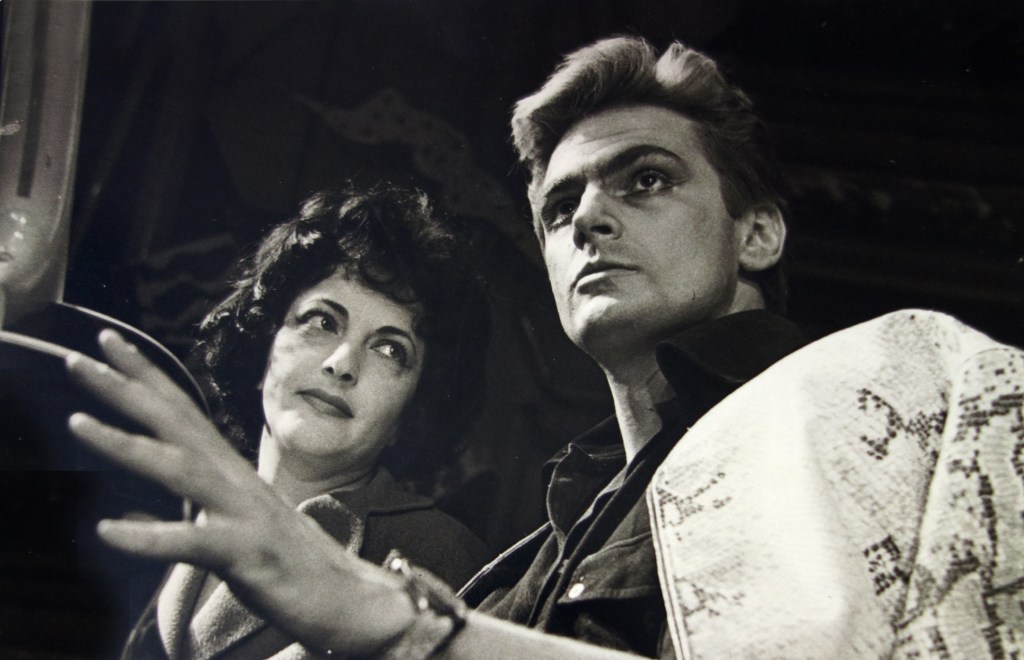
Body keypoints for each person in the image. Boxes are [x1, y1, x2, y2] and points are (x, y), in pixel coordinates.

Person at [66, 37, 1024, 659]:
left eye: (645, 180)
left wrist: (395, 626)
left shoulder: (900, 371)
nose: (589, 219)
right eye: (560, 208)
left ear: (759, 232)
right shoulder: (532, 555)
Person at [109, 183, 492, 658]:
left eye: (390, 349)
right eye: (322, 321)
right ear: (262, 349)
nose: (342, 363)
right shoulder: (185, 507)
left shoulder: (444, 556)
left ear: (412, 412)